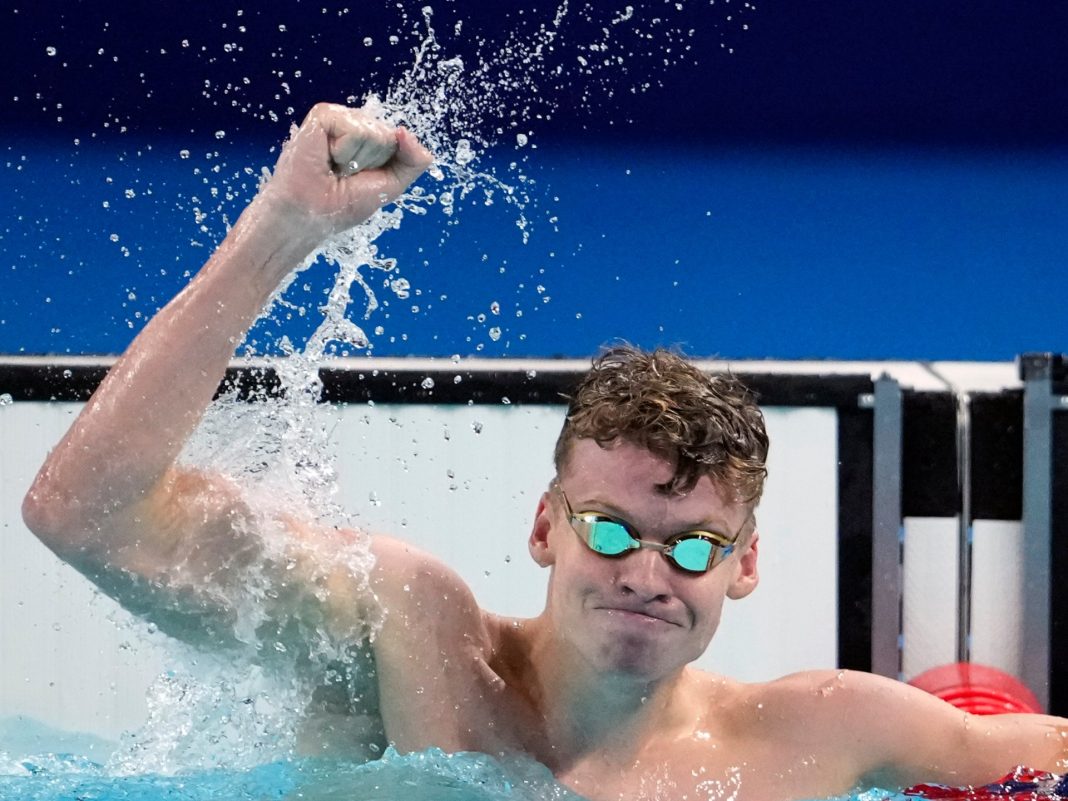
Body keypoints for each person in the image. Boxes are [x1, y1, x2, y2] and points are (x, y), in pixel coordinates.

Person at [21, 102, 1068, 801]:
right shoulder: (407, 638)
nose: (646, 575)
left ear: (747, 564)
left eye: (694, 546)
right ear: (542, 527)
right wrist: (284, 228)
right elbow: (84, 514)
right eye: (610, 528)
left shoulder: (819, 737)